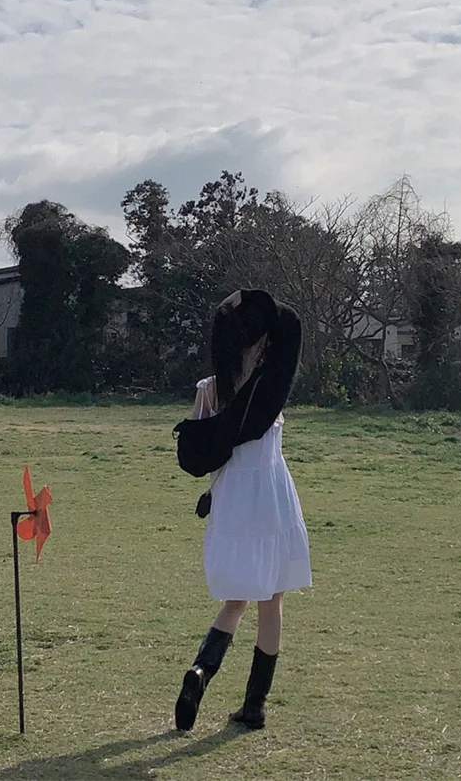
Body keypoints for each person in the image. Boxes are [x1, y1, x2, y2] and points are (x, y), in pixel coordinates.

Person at [174, 289, 312, 733]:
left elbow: (196, 449)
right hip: (271, 496)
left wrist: (226, 311)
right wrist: (252, 299)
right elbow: (291, 324)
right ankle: (255, 705)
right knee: (272, 603)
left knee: (236, 601)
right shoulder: (269, 391)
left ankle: (201, 670)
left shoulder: (211, 390)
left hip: (233, 498)